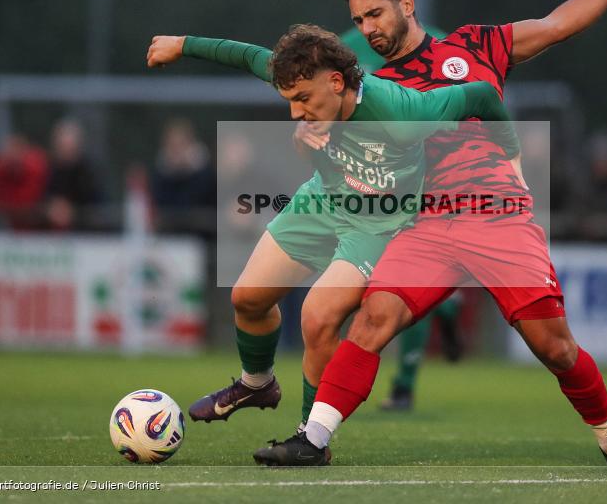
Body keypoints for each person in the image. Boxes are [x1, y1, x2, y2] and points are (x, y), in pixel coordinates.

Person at [245, 0, 607, 469]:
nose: (370, 27)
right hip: (426, 222)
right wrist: (311, 139)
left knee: (554, 346)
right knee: (374, 317)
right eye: (360, 18)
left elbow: (558, 24)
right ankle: (313, 439)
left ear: (407, 4)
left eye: (376, 13)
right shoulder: (372, 86)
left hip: (496, 214)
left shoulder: (476, 46)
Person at [147, 24, 518, 434]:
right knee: (248, 298)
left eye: (302, 100)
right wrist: (182, 44)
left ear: (337, 82)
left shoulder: (402, 112)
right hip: (321, 200)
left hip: (378, 225)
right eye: (289, 99)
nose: (295, 112)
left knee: (317, 316)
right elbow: (245, 53)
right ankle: (257, 385)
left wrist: (512, 159)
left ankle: (310, 434)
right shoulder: (302, 73)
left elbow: (482, 95)